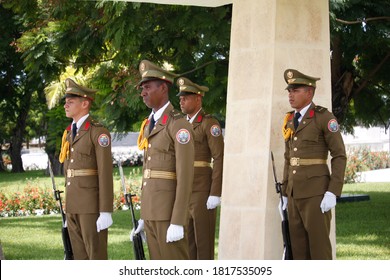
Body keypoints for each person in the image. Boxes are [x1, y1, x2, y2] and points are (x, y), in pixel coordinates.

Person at [280, 69, 347, 260]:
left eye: (295, 90)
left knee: (319, 250)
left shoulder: (324, 118)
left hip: (316, 193)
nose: (290, 94)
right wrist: (285, 193)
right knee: (298, 250)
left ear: (309, 93)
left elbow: (339, 155)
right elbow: (288, 158)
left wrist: (333, 191)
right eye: (289, 91)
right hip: (294, 193)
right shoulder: (290, 120)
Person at [131, 60, 195, 260]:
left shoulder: (178, 124)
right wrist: (144, 215)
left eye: (147, 87)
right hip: (152, 211)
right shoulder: (151, 124)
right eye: (142, 88)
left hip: (168, 213)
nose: (143, 93)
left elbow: (185, 176)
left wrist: (177, 220)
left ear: (163, 87)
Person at [59, 78, 114, 260]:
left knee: (95, 256)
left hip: (91, 206)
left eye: (71, 101)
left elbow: (105, 173)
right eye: (66, 101)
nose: (66, 105)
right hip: (73, 204)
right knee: (79, 258)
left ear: (84, 104)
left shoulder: (98, 132)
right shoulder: (69, 133)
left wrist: (105, 210)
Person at [176, 77, 224, 260]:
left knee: (203, 242)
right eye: (180, 98)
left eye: (185, 97)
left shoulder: (208, 123)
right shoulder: (180, 124)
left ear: (198, 99)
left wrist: (215, 192)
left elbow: (219, 157)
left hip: (202, 189)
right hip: (184, 189)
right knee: (187, 243)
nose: (181, 101)